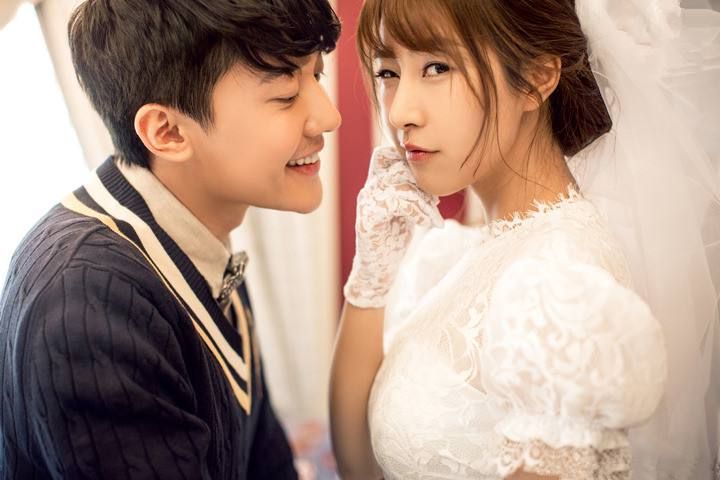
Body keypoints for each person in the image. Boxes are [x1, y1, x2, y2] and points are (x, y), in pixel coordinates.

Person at [330, 0, 720, 479]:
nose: (400, 112)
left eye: (437, 67)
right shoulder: (476, 249)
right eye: (388, 72)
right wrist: (371, 273)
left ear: (537, 78)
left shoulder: (560, 282)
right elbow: (358, 466)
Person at [0, 0, 341, 478]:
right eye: (286, 95)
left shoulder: (196, 236)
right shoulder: (89, 305)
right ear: (167, 132)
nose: (328, 116)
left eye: (317, 76)